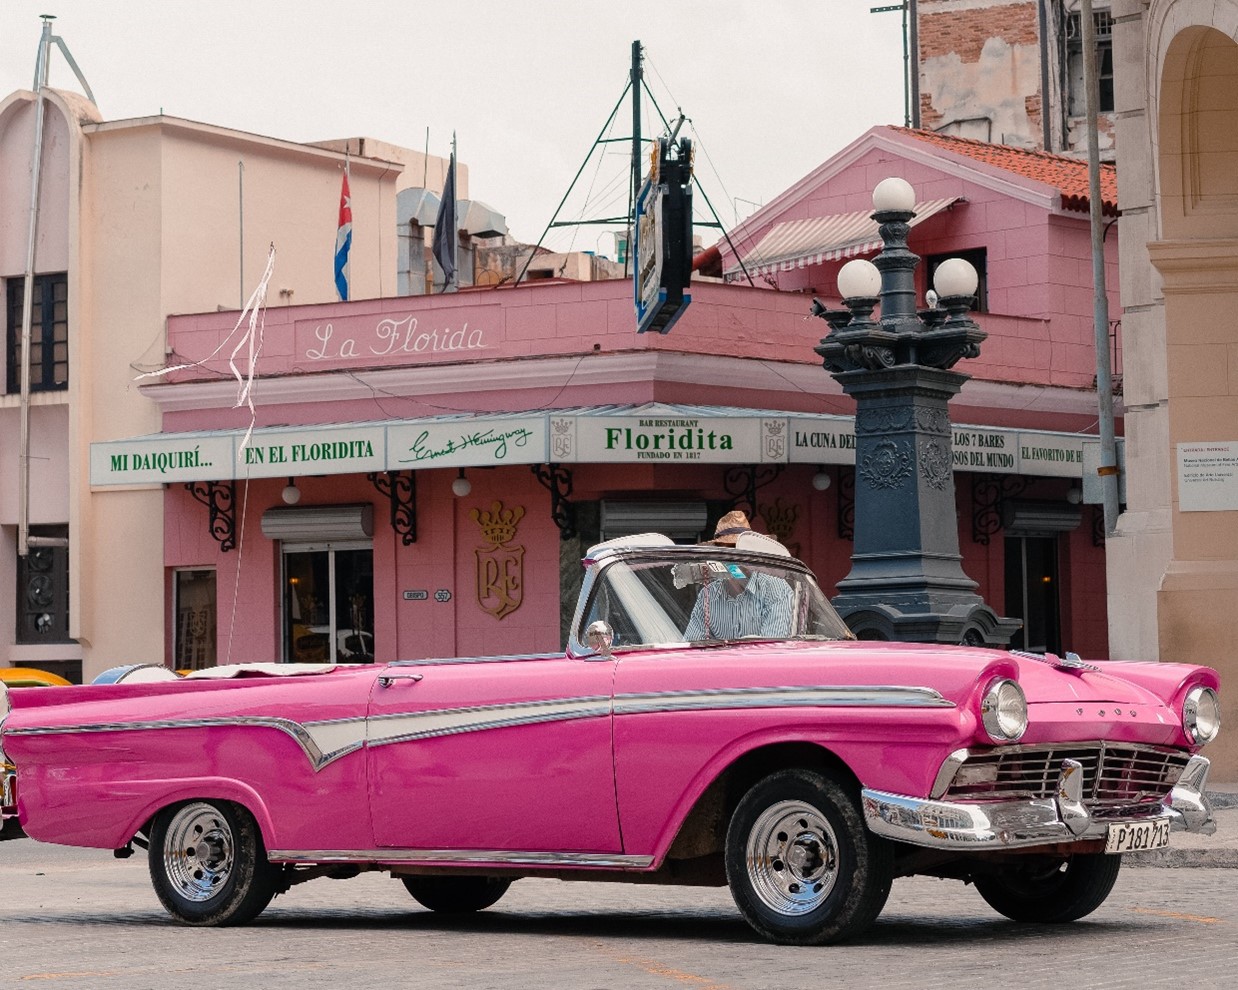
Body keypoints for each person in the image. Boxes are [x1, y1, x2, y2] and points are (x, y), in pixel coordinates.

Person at [682, 511, 795, 641]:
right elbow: (694, 645)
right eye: (728, 552)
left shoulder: (776, 589)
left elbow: (771, 649)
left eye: (742, 551)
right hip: (720, 661)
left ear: (753, 553)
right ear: (718, 556)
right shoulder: (708, 594)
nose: (736, 558)